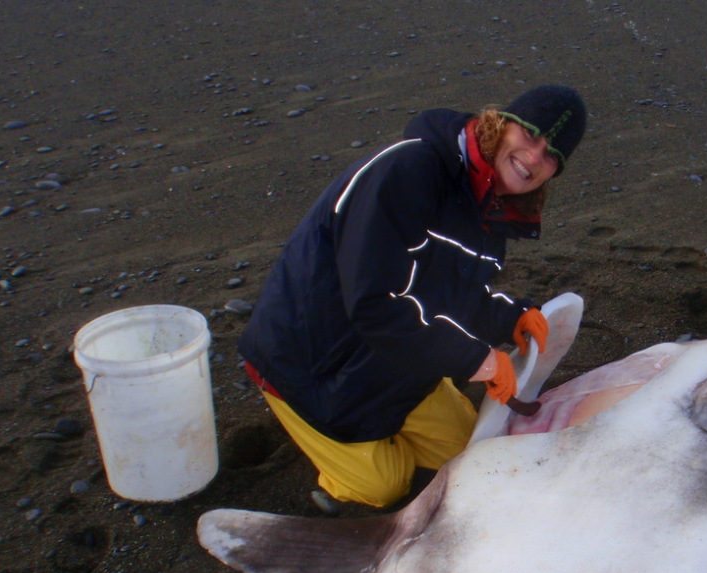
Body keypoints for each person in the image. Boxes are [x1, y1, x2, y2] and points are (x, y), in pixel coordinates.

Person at [237, 84, 586, 511]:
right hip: (311, 365)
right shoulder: (409, 169)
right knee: (385, 485)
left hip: (392, 360)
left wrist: (506, 318)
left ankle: (382, 430)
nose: (534, 158)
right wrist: (478, 360)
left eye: (552, 155)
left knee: (471, 451)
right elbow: (374, 304)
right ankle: (333, 463)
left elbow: (449, 290)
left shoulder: (492, 203)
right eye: (531, 135)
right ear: (503, 123)